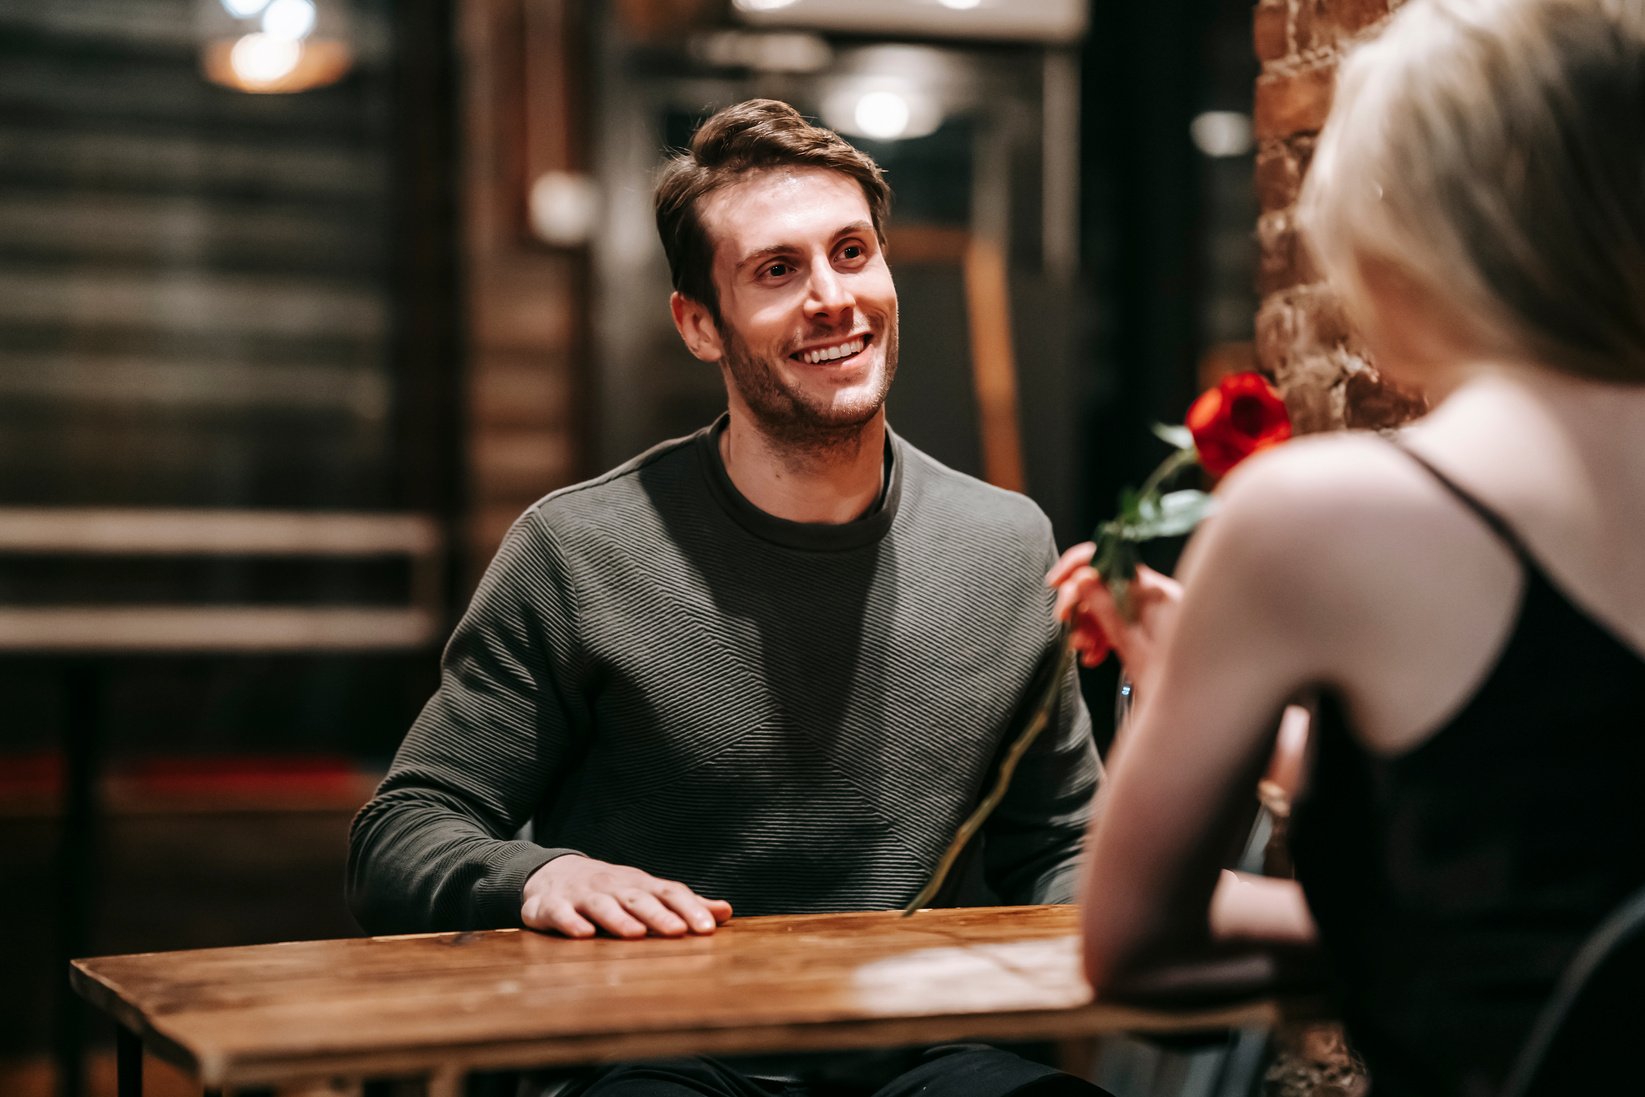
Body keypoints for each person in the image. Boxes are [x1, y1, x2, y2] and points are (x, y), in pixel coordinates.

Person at [349, 99, 1104, 1097]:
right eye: (777, 270)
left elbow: (1061, 840)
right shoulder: (579, 549)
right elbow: (402, 829)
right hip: (654, 1052)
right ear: (699, 324)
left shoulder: (1004, 545)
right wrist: (540, 875)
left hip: (917, 1052)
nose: (832, 298)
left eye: (851, 253)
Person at [1050, 1, 1645, 1093]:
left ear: (1402, 227)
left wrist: (1452, 945)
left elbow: (1134, 939)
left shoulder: (1323, 512)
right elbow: (1551, 789)